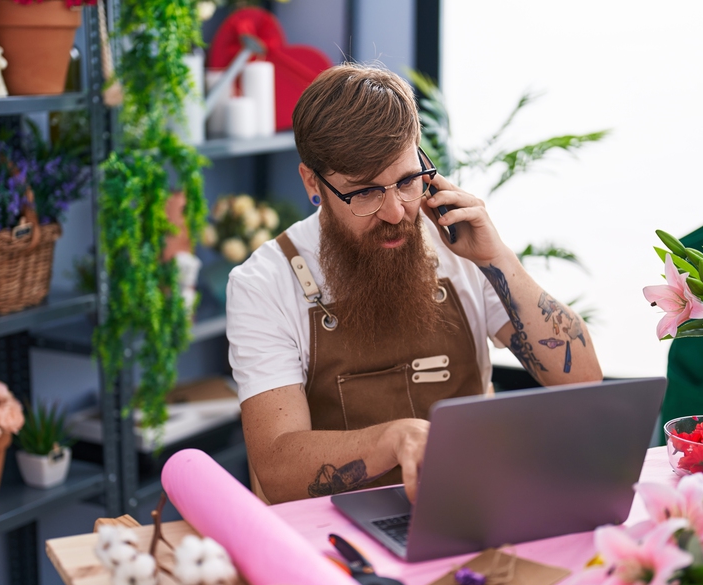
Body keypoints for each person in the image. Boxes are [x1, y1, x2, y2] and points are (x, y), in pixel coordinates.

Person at [226, 63, 602, 504]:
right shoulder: (264, 282)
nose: (395, 211)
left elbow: (582, 382)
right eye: (364, 192)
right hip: (333, 535)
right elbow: (276, 469)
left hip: (472, 509)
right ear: (313, 182)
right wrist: (389, 440)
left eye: (407, 180)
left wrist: (497, 259)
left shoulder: (458, 244)